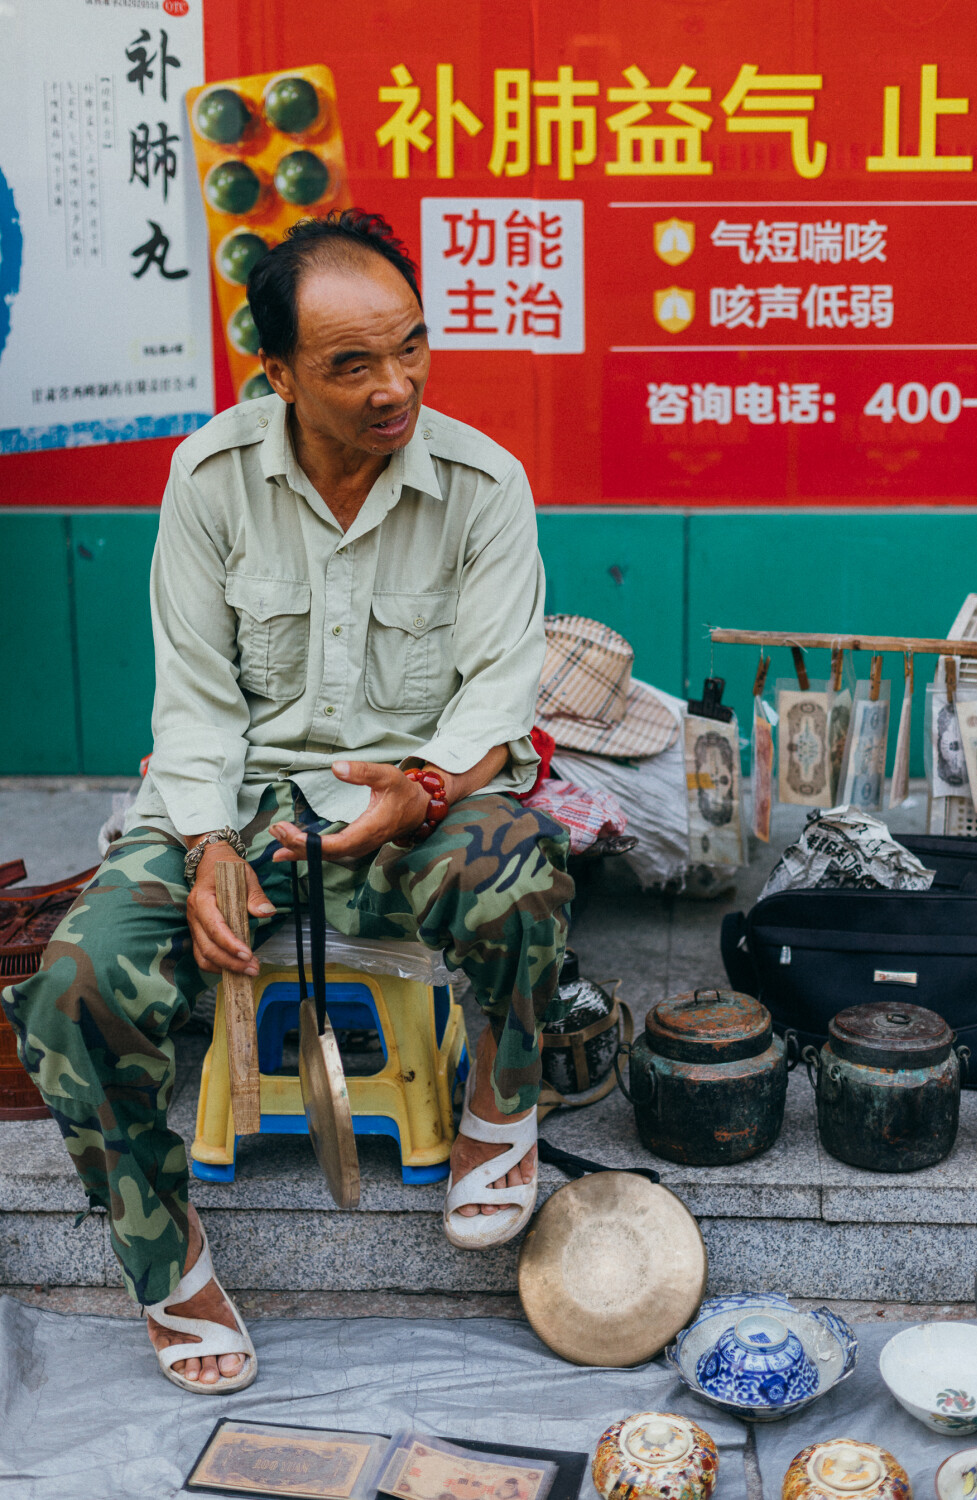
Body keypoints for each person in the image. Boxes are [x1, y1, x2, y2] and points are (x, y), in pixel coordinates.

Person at [1, 209, 572, 1394]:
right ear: (277, 372)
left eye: (410, 347)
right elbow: (196, 694)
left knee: (515, 864)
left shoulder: (483, 486)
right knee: (72, 985)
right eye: (350, 364)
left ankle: (499, 1103)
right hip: (241, 802)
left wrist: (418, 792)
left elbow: (497, 700)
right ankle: (166, 1259)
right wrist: (207, 840)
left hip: (411, 798)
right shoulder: (209, 477)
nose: (393, 385)